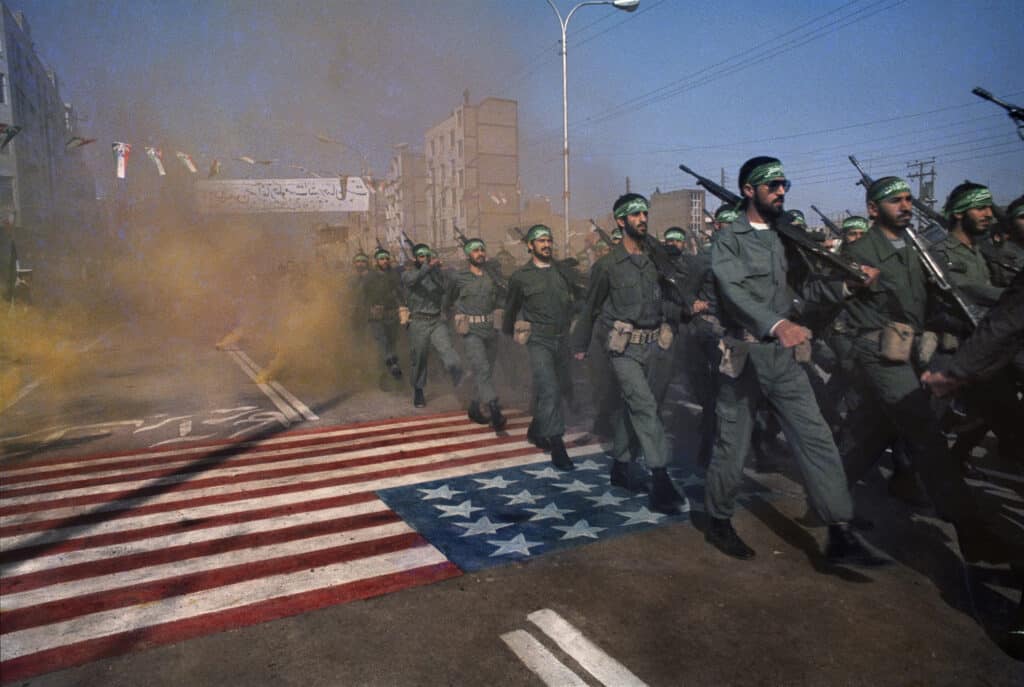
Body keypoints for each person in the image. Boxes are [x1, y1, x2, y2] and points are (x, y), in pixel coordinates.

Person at [705, 156, 885, 566]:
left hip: (782, 358)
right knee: (732, 444)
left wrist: (848, 284)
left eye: (785, 184)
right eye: (772, 186)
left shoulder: (788, 236)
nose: (782, 191)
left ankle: (840, 530)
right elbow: (732, 291)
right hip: (744, 353)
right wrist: (777, 322)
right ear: (749, 190)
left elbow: (811, 287)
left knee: (816, 437)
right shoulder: (729, 239)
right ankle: (717, 520)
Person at [836, 176, 985, 535]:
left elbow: (931, 299)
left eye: (908, 199)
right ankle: (968, 525)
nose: (905, 206)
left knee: (875, 430)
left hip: (910, 349)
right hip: (879, 352)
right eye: (895, 201)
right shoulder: (859, 253)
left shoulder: (915, 248)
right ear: (873, 209)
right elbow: (843, 307)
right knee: (922, 427)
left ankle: (829, 494)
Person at [572, 194, 686, 514]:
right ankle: (661, 480)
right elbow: (591, 307)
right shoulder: (607, 266)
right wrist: (579, 345)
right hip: (623, 349)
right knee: (645, 406)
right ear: (621, 221)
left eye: (645, 213)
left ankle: (621, 466)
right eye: (635, 215)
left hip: (653, 344)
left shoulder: (655, 260)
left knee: (633, 408)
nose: (643, 219)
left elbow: (670, 293)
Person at [504, 225, 579, 470]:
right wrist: (509, 334)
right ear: (530, 246)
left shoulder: (563, 272)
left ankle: (536, 429)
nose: (546, 245)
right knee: (550, 390)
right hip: (539, 341)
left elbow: (578, 299)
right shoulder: (520, 277)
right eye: (541, 241)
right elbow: (511, 309)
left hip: (562, 340)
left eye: (549, 240)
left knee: (556, 388)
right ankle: (557, 445)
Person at [449, 237, 507, 430]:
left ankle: (474, 406)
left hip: (490, 329)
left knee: (485, 372)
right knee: (482, 368)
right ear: (468, 255)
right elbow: (448, 299)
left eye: (482, 249)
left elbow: (502, 297)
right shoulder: (459, 277)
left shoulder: (492, 275)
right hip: (471, 332)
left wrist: (500, 311)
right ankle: (494, 409)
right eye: (475, 250)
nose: (480, 253)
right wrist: (457, 315)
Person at [402, 243, 462, 408]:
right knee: (419, 358)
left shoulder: (437, 274)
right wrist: (428, 267)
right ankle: (419, 390)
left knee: (448, 351)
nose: (425, 258)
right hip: (418, 321)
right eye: (421, 255)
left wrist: (444, 269)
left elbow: (454, 282)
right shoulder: (409, 274)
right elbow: (413, 280)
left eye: (427, 255)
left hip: (436, 320)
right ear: (414, 258)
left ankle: (457, 373)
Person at [363, 248, 403, 384]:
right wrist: (370, 308)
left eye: (386, 258)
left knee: (392, 342)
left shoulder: (394, 274)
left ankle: (388, 372)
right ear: (376, 261)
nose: (385, 261)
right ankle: (392, 365)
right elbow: (363, 296)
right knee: (383, 341)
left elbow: (400, 291)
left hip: (392, 314)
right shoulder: (370, 277)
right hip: (377, 314)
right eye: (382, 259)